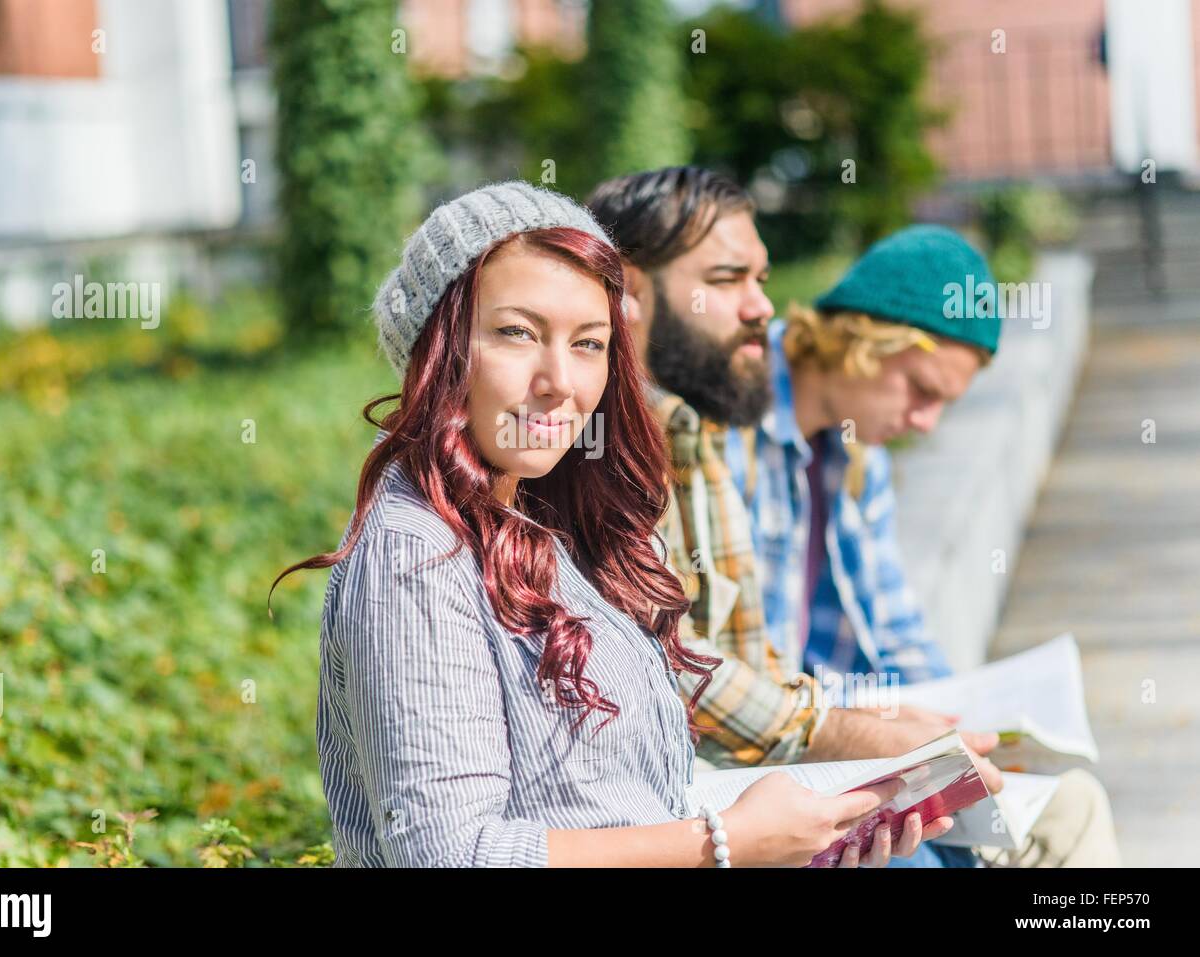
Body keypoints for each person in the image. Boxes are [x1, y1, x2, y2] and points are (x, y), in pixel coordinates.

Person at [269, 181, 952, 867]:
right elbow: (451, 854)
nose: (559, 379)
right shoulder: (415, 552)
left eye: (589, 343)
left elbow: (619, 808)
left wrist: (800, 840)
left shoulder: (558, 525)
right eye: (517, 332)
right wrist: (725, 841)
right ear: (438, 349)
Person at [587, 166, 1119, 868]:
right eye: (727, 280)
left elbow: (890, 638)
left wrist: (958, 736)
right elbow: (685, 665)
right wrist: (850, 734)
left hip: (788, 745)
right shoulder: (689, 428)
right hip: (732, 779)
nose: (762, 307)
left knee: (1067, 806)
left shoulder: (836, 453)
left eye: (762, 279)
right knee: (925, 856)